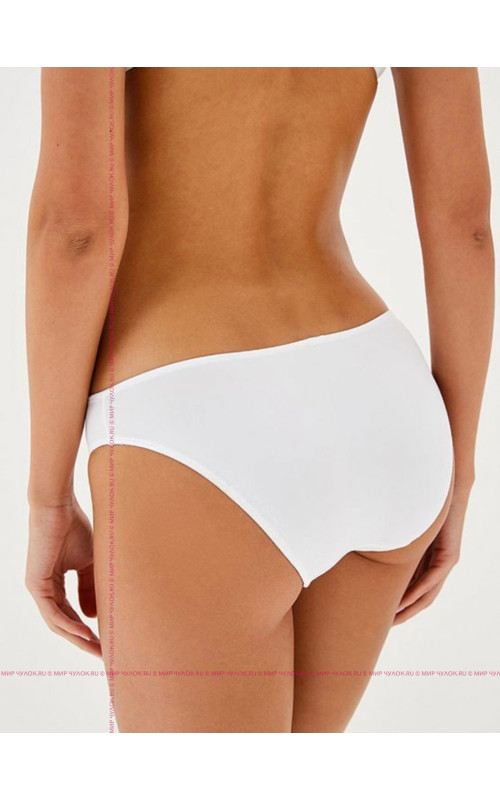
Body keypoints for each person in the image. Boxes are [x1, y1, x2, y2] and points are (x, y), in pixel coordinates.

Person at [25, 67, 494, 733]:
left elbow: (75, 230)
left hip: (194, 419)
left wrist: (49, 499)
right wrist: (459, 472)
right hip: (383, 401)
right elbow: (464, 224)